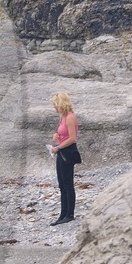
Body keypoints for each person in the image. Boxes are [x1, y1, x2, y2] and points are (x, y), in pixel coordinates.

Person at [47, 91, 82, 225]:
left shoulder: (70, 117)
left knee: (68, 184)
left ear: (62, 104)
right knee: (62, 184)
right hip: (61, 151)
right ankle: (62, 214)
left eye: (56, 105)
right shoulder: (63, 117)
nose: (54, 108)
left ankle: (70, 214)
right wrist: (57, 135)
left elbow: (73, 139)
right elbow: (64, 134)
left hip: (68, 152)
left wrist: (58, 147)